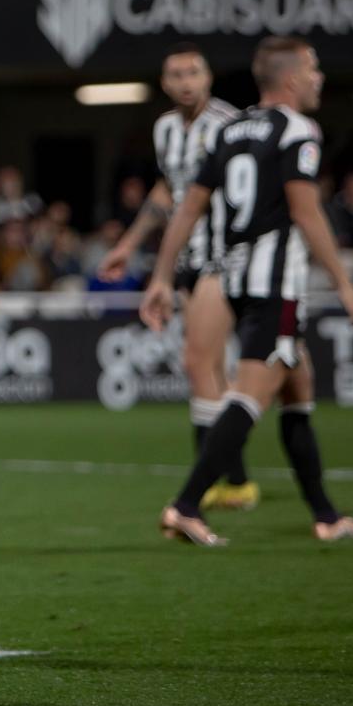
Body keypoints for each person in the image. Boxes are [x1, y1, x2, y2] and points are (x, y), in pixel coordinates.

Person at [141, 38, 353, 547]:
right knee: (250, 395)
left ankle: (326, 517)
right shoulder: (297, 130)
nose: (319, 78)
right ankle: (185, 506)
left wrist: (161, 276)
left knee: (298, 389)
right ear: (290, 79)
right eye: (313, 69)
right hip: (275, 283)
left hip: (232, 276)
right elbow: (305, 211)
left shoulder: (229, 130)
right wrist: (345, 285)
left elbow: (187, 208)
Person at [98, 45, 253, 509]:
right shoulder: (165, 128)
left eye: (193, 72)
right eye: (176, 74)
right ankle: (233, 478)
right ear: (164, 83)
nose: (186, 81)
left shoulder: (228, 125)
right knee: (210, 366)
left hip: (225, 256)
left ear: (208, 78)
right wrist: (128, 244)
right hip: (187, 257)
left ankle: (215, 482)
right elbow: (168, 191)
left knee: (200, 361)